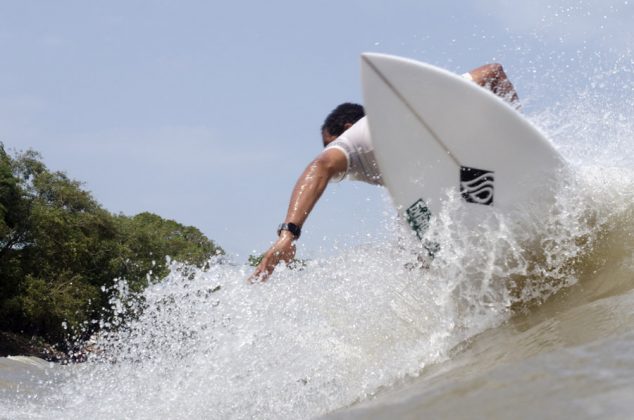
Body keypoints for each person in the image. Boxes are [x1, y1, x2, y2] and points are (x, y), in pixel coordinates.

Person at [250, 63, 520, 282]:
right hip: (463, 181)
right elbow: (493, 73)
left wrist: (288, 235)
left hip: (462, 178)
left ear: (346, 128)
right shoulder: (405, 114)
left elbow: (320, 166)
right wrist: (517, 129)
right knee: (415, 256)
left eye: (329, 144)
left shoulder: (355, 138)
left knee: (423, 251)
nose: (330, 152)